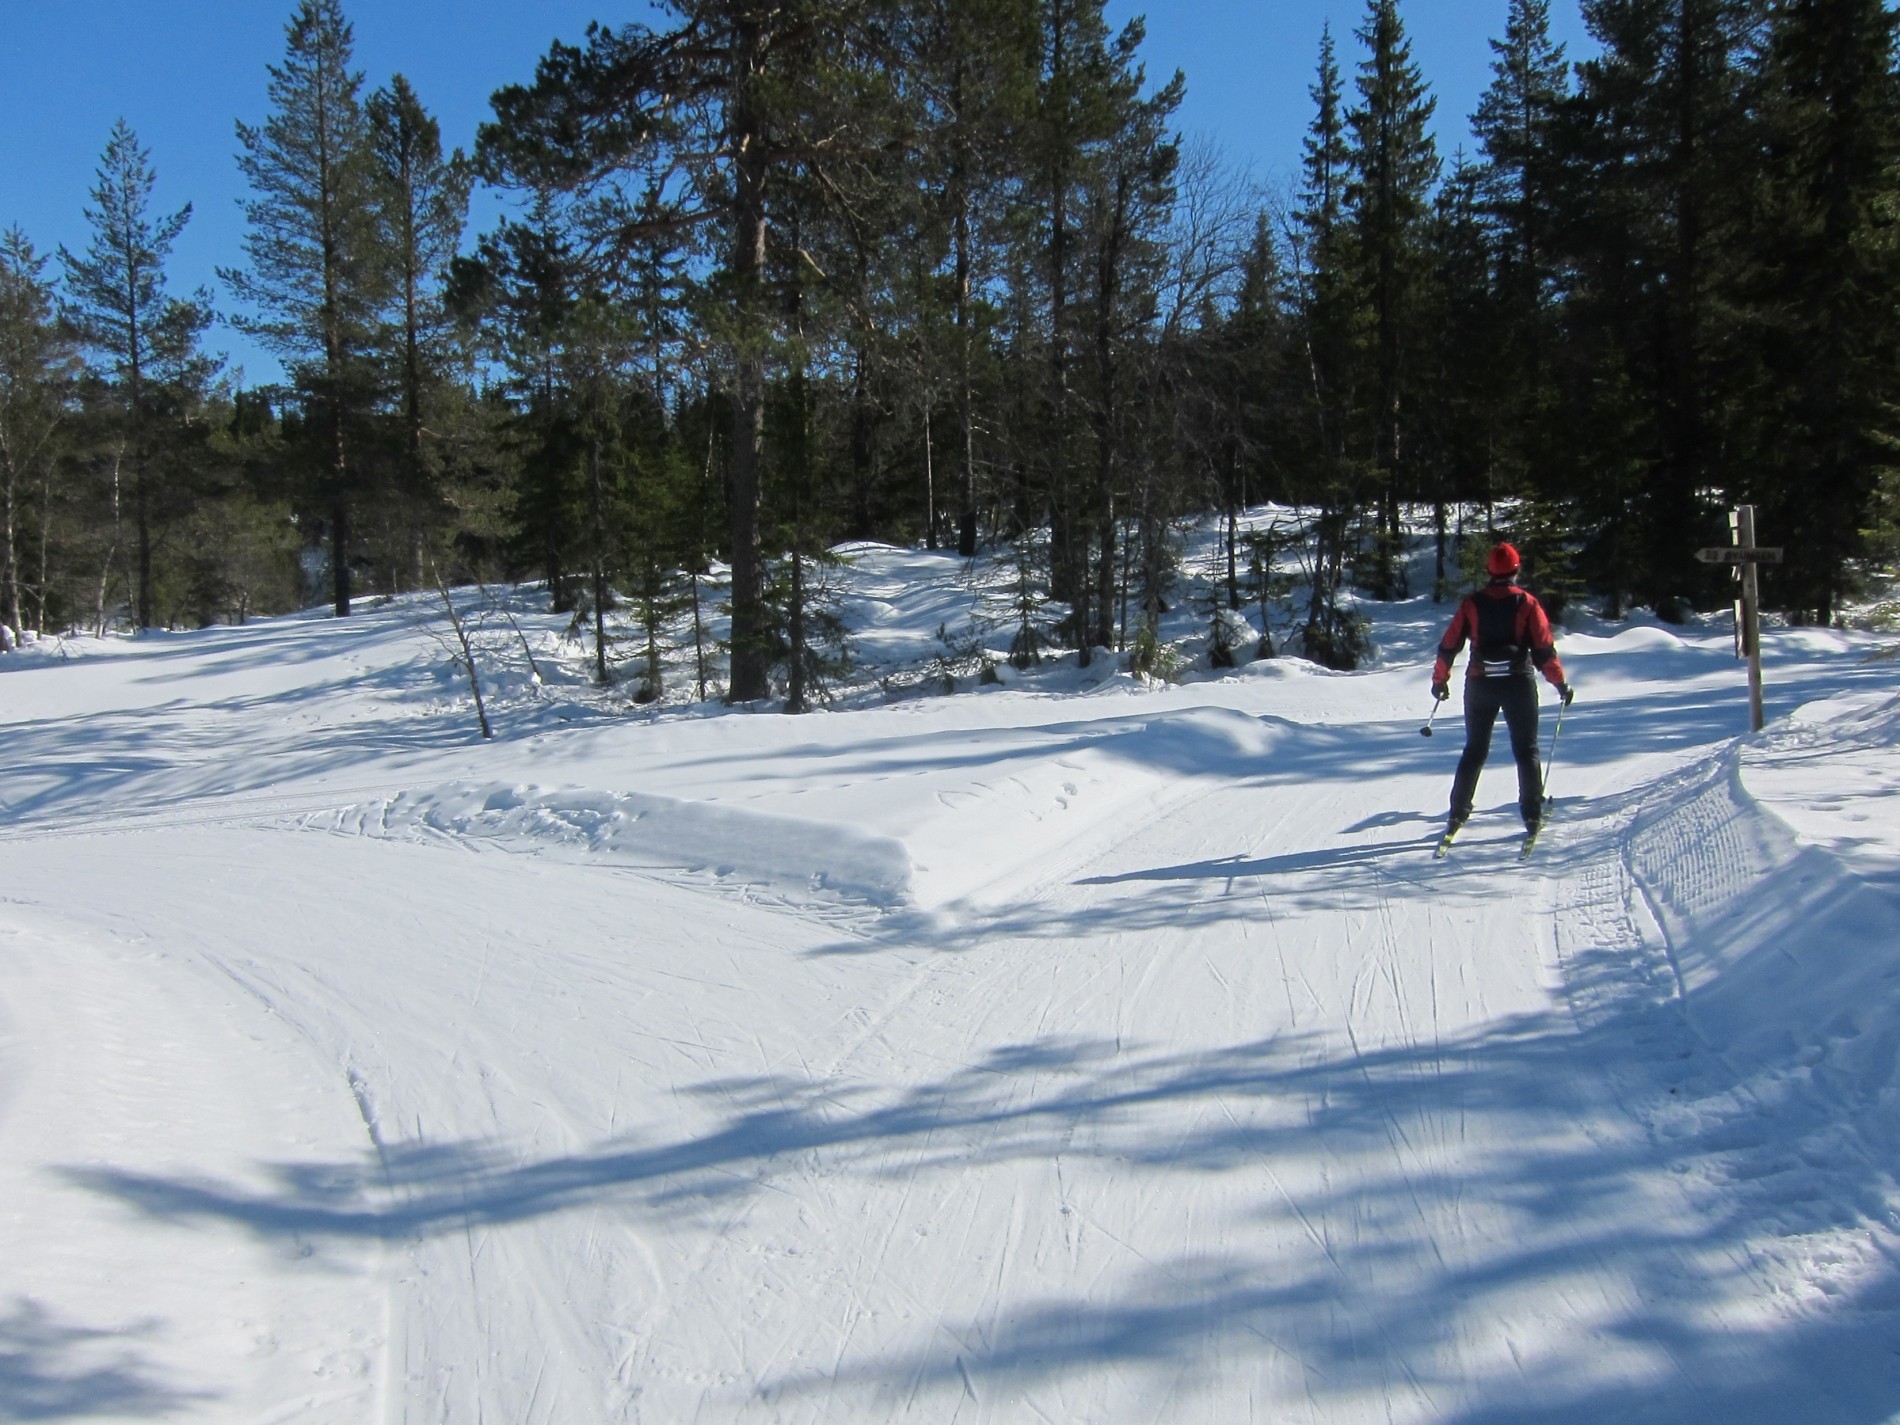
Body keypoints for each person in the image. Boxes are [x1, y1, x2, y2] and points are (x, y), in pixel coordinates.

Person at [1431, 542, 1574, 838]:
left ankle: (1458, 811)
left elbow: (1449, 645)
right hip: (1517, 684)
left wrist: (1439, 680)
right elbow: (1544, 650)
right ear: (1516, 570)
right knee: (1526, 749)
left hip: (1480, 684)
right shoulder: (1527, 603)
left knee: (1475, 749)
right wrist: (1560, 684)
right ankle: (1531, 813)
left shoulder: (1472, 603)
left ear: (1489, 571)